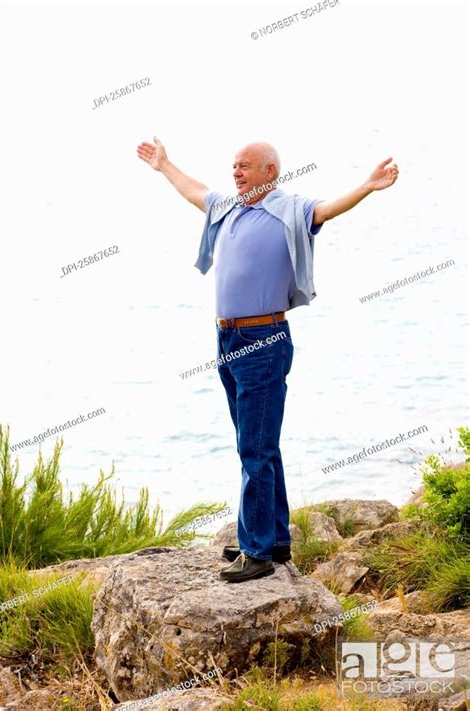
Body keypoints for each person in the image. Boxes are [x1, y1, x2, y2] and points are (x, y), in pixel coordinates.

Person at [137, 137, 399, 583]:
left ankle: (256, 552)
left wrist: (367, 186)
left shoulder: (288, 209)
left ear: (269, 171)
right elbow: (194, 190)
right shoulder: (228, 207)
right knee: (258, 442)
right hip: (227, 339)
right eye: (233, 166)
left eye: (244, 166)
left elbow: (327, 209)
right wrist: (165, 165)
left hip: (263, 339)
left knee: (254, 448)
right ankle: (274, 541)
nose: (235, 172)